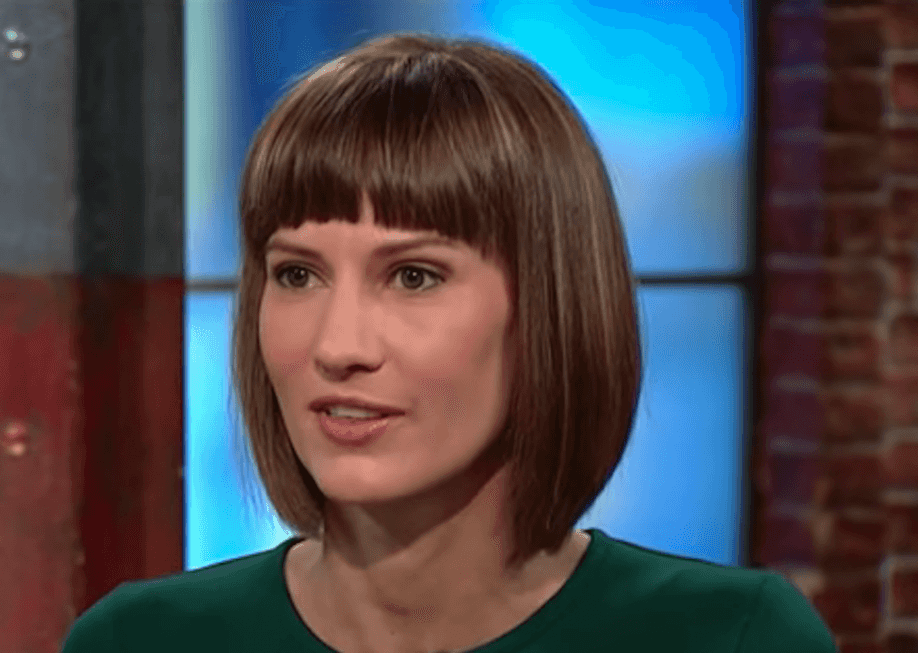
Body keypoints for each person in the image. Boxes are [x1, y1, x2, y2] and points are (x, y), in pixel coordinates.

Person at [62, 32, 838, 653]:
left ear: (548, 307)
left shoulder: (733, 638)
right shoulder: (141, 641)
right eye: (297, 274)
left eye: (414, 276)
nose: (338, 345)